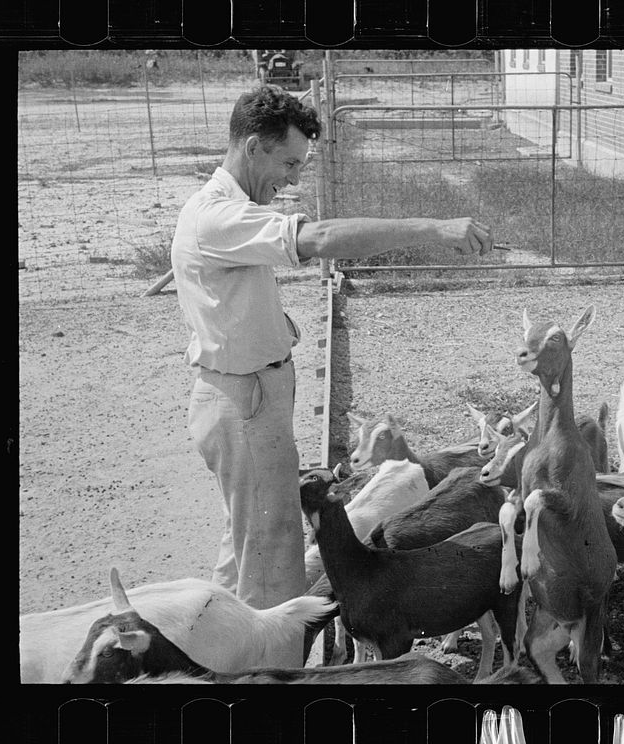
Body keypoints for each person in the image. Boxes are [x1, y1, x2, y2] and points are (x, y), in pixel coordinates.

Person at [170, 84, 492, 664]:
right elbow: (316, 239)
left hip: (247, 397)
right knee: (274, 564)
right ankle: (275, 681)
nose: (292, 179)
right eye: (289, 163)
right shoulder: (218, 216)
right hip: (245, 404)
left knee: (244, 551)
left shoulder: (221, 211)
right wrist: (432, 228)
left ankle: (217, 665)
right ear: (252, 147)